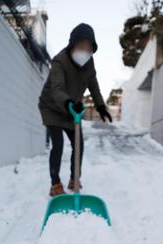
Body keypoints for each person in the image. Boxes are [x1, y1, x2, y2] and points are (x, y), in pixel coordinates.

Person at [38, 23, 112, 197]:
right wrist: (69, 102)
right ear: (72, 45)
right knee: (58, 145)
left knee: (78, 144)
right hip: (52, 107)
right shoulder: (59, 61)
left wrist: (101, 106)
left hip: (71, 109)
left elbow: (94, 86)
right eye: (81, 47)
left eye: (89, 49)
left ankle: (74, 179)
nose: (84, 52)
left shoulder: (89, 63)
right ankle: (55, 184)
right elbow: (56, 89)